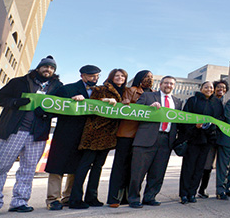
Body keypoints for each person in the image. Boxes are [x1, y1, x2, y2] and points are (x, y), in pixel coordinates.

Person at [0, 56, 61, 217]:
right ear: (38, 68)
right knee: (1, 167)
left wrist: (48, 113)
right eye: (46, 67)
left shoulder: (57, 87)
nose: (48, 70)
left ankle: (20, 202)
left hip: (37, 135)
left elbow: (61, 106)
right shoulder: (19, 82)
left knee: (28, 169)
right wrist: (16, 102)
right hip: (14, 131)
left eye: (52, 68)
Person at [45, 64, 101, 210]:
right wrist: (71, 101)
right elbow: (52, 107)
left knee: (77, 168)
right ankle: (53, 199)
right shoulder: (67, 89)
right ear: (82, 76)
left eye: (96, 76)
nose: (94, 79)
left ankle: (69, 197)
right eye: (91, 76)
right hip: (65, 134)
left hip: (85, 137)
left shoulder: (99, 93)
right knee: (57, 166)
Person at [69, 68, 126, 209]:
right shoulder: (101, 88)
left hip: (109, 135)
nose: (119, 78)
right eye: (116, 75)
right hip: (95, 132)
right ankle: (75, 199)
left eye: (122, 76)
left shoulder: (124, 92)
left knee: (98, 167)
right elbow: (90, 104)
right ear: (111, 77)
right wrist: (103, 100)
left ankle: (91, 197)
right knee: (84, 166)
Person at [128, 76, 183, 208]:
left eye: (171, 84)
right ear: (161, 84)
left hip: (166, 140)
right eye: (166, 83)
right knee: (138, 172)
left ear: (174, 86)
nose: (168, 85)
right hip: (146, 139)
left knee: (158, 173)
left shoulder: (178, 102)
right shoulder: (148, 96)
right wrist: (149, 109)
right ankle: (134, 198)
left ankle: (150, 197)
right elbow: (135, 112)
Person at [107, 70, 152, 207]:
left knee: (134, 168)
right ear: (139, 78)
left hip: (143, 135)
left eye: (151, 77)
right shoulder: (131, 90)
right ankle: (114, 198)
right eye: (146, 76)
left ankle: (127, 197)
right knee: (120, 166)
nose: (149, 79)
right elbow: (124, 108)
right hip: (127, 133)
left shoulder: (154, 93)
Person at [179, 81, 224, 204]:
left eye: (211, 87)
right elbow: (184, 118)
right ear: (201, 88)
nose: (209, 89)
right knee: (189, 167)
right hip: (193, 138)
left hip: (208, 140)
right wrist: (195, 126)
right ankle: (183, 194)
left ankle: (192, 193)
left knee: (200, 168)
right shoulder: (192, 100)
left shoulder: (217, 102)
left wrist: (212, 127)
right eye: (206, 87)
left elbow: (220, 119)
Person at [198, 79, 227, 198]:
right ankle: (199, 189)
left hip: (218, 138)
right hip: (205, 137)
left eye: (224, 88)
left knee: (210, 165)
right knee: (204, 164)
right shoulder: (209, 101)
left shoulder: (224, 103)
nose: (221, 90)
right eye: (218, 87)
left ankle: (203, 189)